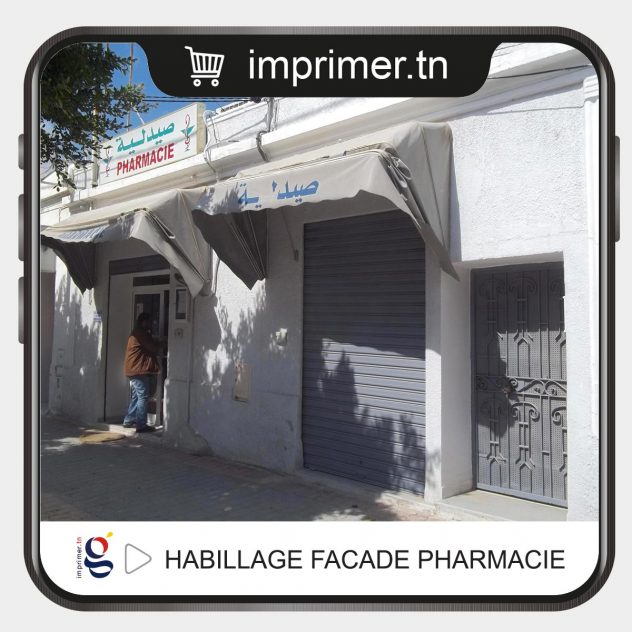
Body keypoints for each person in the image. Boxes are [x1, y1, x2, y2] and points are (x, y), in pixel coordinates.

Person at [122, 312, 163, 433]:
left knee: (137, 396)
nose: (151, 324)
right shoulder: (140, 333)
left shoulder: (139, 332)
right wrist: (163, 342)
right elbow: (153, 347)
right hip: (137, 370)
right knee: (143, 397)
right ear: (143, 322)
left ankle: (128, 420)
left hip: (134, 369)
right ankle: (141, 425)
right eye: (149, 321)